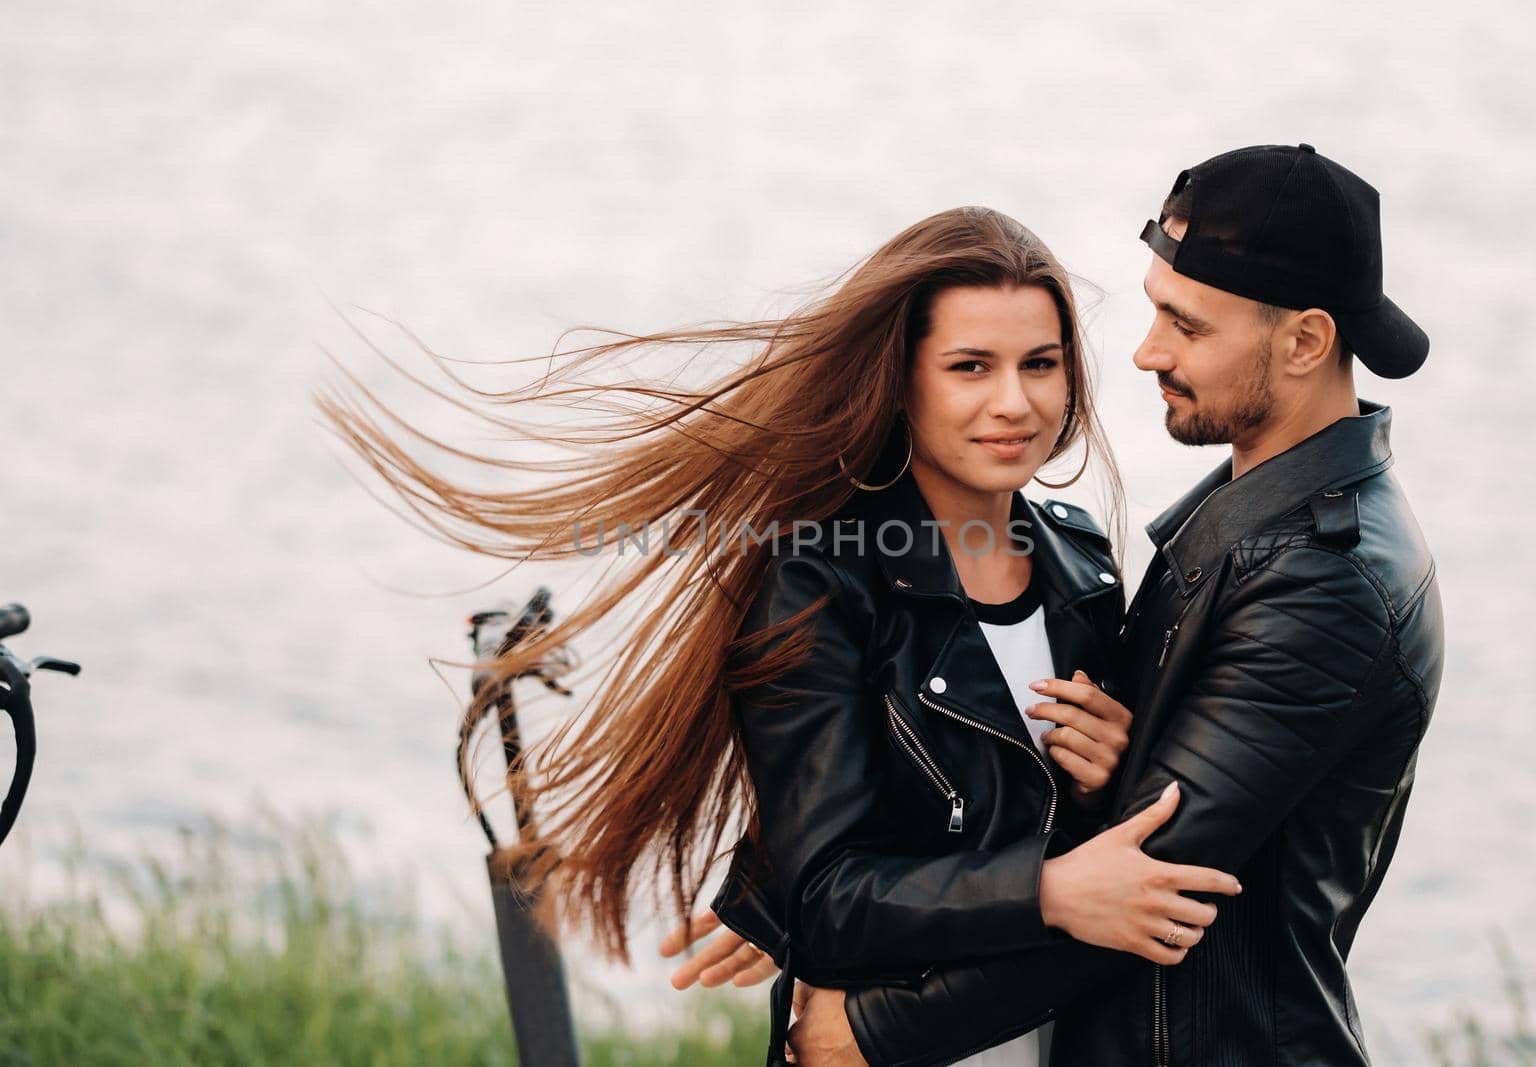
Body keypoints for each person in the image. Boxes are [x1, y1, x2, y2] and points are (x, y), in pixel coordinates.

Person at [320, 206, 1237, 1067]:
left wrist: (1118, 765)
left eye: (1040, 363)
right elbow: (831, 901)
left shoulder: (1082, 568)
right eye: (970, 367)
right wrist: (1047, 888)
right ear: (901, 378)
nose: (1015, 402)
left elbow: (1082, 836)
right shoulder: (821, 580)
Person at [763, 145, 1445, 1067]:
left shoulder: (1320, 581)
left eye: (1186, 325)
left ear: (1305, 341)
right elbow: (998, 812)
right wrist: (771, 895)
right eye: (970, 365)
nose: (1144, 350)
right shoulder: (1219, 532)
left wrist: (871, 1033)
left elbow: (1144, 878)